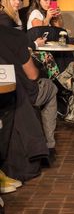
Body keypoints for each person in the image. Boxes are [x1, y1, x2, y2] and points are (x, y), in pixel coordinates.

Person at [0, 23, 58, 164]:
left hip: (7, 94)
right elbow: (32, 75)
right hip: (19, 94)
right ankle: (49, 145)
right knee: (51, 87)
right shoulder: (14, 35)